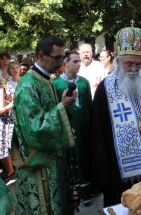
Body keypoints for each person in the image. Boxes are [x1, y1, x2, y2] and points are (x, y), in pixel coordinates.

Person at [87, 26, 141, 207]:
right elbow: (97, 132)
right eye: (129, 63)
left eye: (138, 64)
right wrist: (103, 173)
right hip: (118, 171)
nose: (134, 68)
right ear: (118, 62)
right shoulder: (105, 88)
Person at [12, 35, 77, 214]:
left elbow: (47, 115)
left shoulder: (46, 80)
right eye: (57, 58)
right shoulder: (27, 86)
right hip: (38, 164)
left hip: (52, 159)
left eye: (62, 57)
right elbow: (35, 129)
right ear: (41, 55)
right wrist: (63, 106)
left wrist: (65, 128)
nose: (61, 62)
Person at [53, 52, 92, 204]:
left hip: (82, 125)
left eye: (79, 61)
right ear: (66, 63)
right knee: (69, 156)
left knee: (83, 155)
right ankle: (71, 191)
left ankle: (86, 191)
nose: (78, 64)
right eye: (75, 61)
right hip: (67, 124)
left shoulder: (84, 82)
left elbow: (88, 104)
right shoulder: (56, 83)